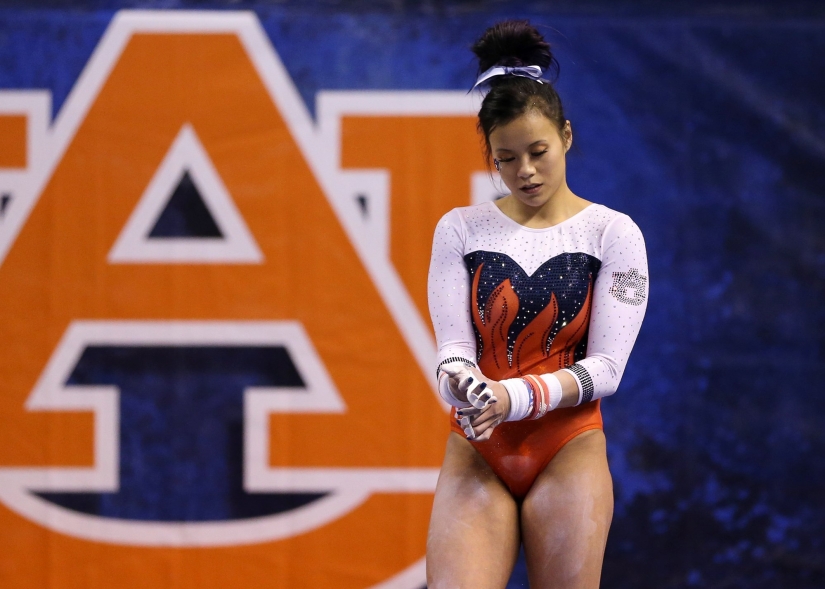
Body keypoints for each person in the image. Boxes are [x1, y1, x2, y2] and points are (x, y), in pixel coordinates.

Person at [425, 20, 649, 588]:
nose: (524, 171)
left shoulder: (613, 234)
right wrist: (462, 382)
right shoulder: (459, 229)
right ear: (491, 158)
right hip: (479, 447)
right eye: (505, 158)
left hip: (567, 445)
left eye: (538, 151)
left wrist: (512, 396)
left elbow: (606, 369)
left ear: (567, 137)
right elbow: (453, 348)